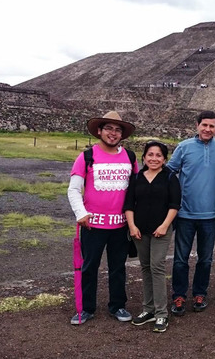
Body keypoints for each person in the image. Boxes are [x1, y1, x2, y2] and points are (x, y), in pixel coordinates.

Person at [67, 111, 137, 325]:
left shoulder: (130, 157)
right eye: (108, 128)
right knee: (89, 267)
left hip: (119, 226)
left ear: (122, 135)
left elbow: (134, 191)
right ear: (99, 131)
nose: (113, 133)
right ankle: (87, 308)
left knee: (118, 267)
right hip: (92, 225)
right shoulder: (87, 157)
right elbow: (73, 189)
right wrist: (81, 213)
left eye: (117, 130)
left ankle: (117, 305)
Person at [166, 111, 215, 316]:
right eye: (204, 125)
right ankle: (179, 295)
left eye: (212, 126)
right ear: (197, 125)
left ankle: (200, 293)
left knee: (206, 259)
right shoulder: (184, 147)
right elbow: (169, 172)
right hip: (185, 214)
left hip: (209, 215)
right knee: (180, 258)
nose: (207, 129)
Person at [123, 141, 181, 332]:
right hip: (140, 230)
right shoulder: (137, 177)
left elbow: (174, 205)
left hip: (160, 230)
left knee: (157, 266)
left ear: (164, 159)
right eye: (150, 154)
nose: (154, 158)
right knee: (145, 267)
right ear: (144, 157)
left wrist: (164, 226)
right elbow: (129, 204)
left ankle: (161, 313)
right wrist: (132, 226)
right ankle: (148, 309)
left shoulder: (170, 177)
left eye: (158, 155)